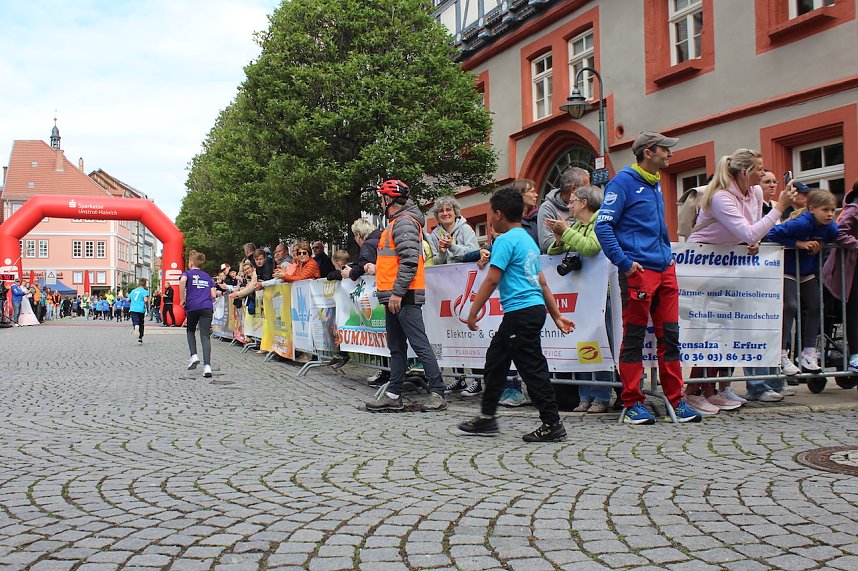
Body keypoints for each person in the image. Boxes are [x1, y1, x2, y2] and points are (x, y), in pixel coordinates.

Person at [594, 130, 702, 424]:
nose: (670, 154)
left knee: (670, 337)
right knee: (634, 339)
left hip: (664, 270)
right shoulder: (623, 183)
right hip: (638, 272)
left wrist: (668, 257)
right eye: (666, 150)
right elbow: (603, 227)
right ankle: (632, 403)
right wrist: (626, 264)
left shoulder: (655, 184)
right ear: (649, 152)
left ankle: (676, 401)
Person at [456, 187, 574, 441]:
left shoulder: (506, 241)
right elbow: (541, 282)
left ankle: (552, 423)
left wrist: (473, 312)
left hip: (521, 313)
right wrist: (556, 316)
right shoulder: (527, 241)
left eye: (490, 213)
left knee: (532, 368)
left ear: (498, 214)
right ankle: (487, 418)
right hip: (527, 311)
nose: (490, 217)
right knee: (495, 361)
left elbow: (491, 280)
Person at [687, 149, 795, 407]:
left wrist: (754, 240)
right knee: (709, 330)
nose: (763, 172)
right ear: (745, 172)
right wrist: (779, 208)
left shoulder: (755, 192)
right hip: (703, 267)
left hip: (728, 266)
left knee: (728, 329)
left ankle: (717, 388)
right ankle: (694, 390)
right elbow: (748, 232)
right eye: (759, 169)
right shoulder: (721, 198)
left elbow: (754, 231)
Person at [365, 179, 447, 413]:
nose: (380, 201)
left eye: (382, 197)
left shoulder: (404, 223)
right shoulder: (397, 223)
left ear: (388, 200)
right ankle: (393, 394)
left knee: (419, 345)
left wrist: (398, 293)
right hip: (395, 295)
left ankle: (438, 392)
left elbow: (409, 261)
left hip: (403, 295)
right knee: (397, 348)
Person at [546, 183, 615, 414]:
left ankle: (602, 395)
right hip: (585, 296)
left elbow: (591, 248)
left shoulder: (599, 222)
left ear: (584, 203)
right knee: (583, 344)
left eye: (572, 201)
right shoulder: (578, 225)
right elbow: (554, 253)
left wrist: (566, 232)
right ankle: (586, 395)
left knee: (600, 345)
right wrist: (559, 238)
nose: (569, 205)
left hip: (601, 295)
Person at [767, 188, 839, 374]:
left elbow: (833, 238)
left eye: (832, 210)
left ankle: (808, 352)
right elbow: (772, 233)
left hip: (807, 271)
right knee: (790, 306)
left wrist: (821, 245)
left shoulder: (831, 227)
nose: (830, 214)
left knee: (816, 306)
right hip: (788, 269)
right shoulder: (800, 223)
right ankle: (781, 353)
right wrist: (798, 244)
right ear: (812, 209)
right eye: (825, 210)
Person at [822, 180, 858, 373]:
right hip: (851, 268)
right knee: (854, 311)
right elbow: (839, 232)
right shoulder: (853, 208)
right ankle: (855, 356)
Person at [180, 250, 217, 378]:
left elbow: (182, 281)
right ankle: (207, 366)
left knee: (190, 330)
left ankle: (194, 355)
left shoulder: (187, 273)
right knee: (205, 336)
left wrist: (182, 298)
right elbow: (213, 295)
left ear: (191, 262)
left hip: (193, 306)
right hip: (206, 307)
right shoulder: (207, 276)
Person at [537, 167, 590, 253]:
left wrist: (565, 234)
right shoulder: (548, 208)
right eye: (586, 188)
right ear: (573, 189)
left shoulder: (586, 205)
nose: (589, 191)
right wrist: (567, 233)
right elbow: (545, 244)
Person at [428, 196, 480, 265]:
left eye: (448, 209)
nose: (445, 213)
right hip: (444, 275)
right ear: (437, 215)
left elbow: (475, 253)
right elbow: (434, 263)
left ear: (455, 212)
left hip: (465, 273)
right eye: (441, 211)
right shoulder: (434, 235)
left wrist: (452, 247)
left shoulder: (465, 229)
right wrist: (441, 253)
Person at [128, 278, 150, 344]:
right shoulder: (144, 291)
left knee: (135, 320)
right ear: (145, 284)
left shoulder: (133, 291)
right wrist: (147, 305)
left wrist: (132, 301)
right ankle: (140, 338)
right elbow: (146, 300)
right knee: (141, 323)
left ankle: (135, 325)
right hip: (141, 309)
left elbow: (128, 299)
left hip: (133, 308)